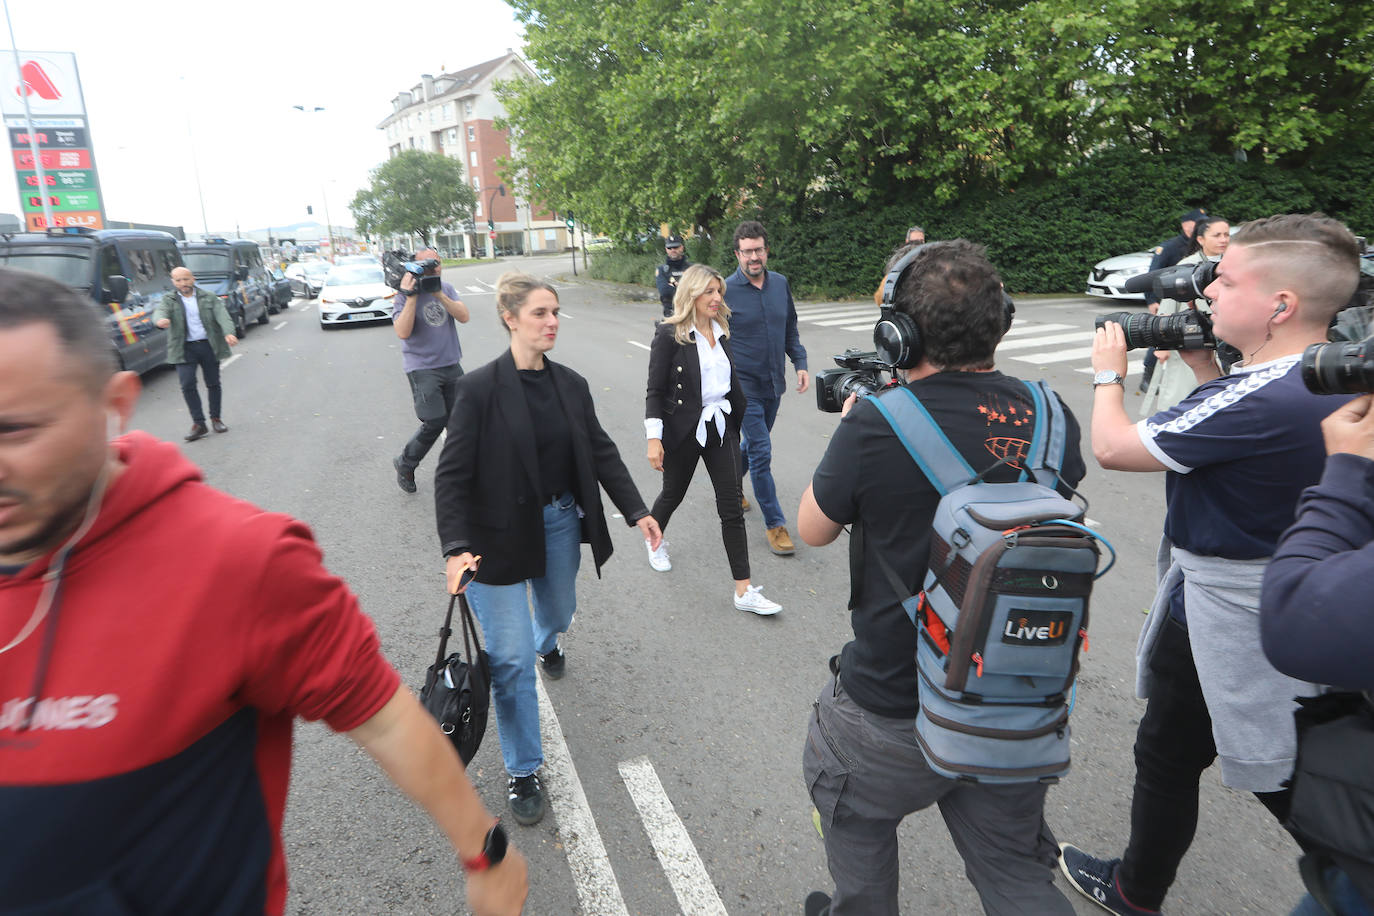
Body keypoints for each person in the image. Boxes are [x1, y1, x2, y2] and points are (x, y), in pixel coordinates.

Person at [0, 268, 527, 916]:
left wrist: (484, 852)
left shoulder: (239, 561)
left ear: (113, 407)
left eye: (14, 430)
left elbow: (388, 720)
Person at [1059, 213, 1362, 916]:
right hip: (1288, 592)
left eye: (1226, 280)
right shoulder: (1324, 373)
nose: (1209, 292)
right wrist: (1205, 367)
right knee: (1175, 749)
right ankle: (1138, 886)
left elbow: (1115, 448)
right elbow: (1228, 423)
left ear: (1280, 305)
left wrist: (1109, 375)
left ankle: (1354, 874)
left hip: (1229, 613)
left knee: (1285, 773)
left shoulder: (1260, 396)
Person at [798, 240, 1087, 916]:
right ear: (1002, 320)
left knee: (853, 819)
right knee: (1017, 877)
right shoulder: (1050, 419)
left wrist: (855, 430)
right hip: (1013, 699)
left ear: (899, 336)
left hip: (891, 708)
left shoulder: (876, 425)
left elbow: (812, 528)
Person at [435, 271, 662, 827]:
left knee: (559, 613)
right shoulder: (480, 389)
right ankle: (523, 769)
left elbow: (602, 450)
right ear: (510, 317)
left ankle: (547, 640)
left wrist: (638, 510)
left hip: (559, 523)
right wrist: (456, 547)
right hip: (495, 541)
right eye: (539, 313)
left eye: (555, 311)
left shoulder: (571, 384)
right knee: (509, 662)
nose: (552, 321)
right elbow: (452, 476)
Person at [1262, 395, 1374, 916]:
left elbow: (1296, 620)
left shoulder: (1266, 399)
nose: (1209, 304)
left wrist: (1347, 475)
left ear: (1282, 306)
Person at [643, 263, 781, 615]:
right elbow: (656, 390)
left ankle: (743, 590)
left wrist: (738, 418)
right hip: (683, 428)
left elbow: (730, 382)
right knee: (673, 493)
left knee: (731, 507)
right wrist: (653, 439)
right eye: (708, 291)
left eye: (718, 291)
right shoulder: (669, 334)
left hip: (721, 427)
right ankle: (655, 542)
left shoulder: (721, 329)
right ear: (691, 294)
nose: (716, 297)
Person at [724, 220, 808, 556]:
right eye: (747, 252)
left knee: (754, 446)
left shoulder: (780, 285)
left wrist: (799, 363)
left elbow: (790, 328)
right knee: (761, 452)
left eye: (758, 249)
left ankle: (731, 487)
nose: (753, 257)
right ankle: (775, 525)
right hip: (743, 387)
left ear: (766, 250)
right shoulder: (725, 291)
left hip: (774, 382)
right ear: (737, 254)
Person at [391, 248, 469, 494]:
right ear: (415, 266)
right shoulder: (403, 295)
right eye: (426, 263)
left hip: (451, 363)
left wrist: (438, 294)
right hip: (422, 367)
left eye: (436, 262)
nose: (433, 266)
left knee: (463, 420)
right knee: (435, 420)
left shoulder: (446, 289)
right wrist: (411, 297)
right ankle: (406, 463)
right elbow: (402, 332)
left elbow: (464, 316)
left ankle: (463, 473)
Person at [1138, 216, 1231, 415]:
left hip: (1223, 341)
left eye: (1226, 234)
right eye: (1217, 235)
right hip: (1191, 339)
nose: (1223, 239)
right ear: (1200, 239)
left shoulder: (1231, 264)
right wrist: (1161, 343)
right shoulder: (1187, 266)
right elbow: (1168, 305)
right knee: (1182, 395)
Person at [153, 266, 238, 442]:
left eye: (185, 279)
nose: (182, 283)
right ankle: (199, 423)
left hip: (208, 345)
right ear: (173, 282)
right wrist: (160, 320)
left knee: (213, 383)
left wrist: (228, 332)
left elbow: (222, 315)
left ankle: (216, 419)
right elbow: (160, 312)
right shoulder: (169, 300)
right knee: (187, 384)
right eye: (178, 280)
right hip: (184, 348)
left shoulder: (209, 297)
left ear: (193, 279)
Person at [1138, 207, 1208, 392]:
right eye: (1198, 222)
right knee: (1161, 336)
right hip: (1167, 299)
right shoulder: (1170, 247)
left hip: (1188, 299)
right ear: (1186, 225)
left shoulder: (1201, 246)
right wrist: (1151, 300)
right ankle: (1148, 375)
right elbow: (1152, 274)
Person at [873, 226, 927, 305]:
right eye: (914, 242)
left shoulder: (931, 260)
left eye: (921, 241)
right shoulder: (898, 262)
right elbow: (881, 296)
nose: (917, 245)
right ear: (907, 241)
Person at [654, 234, 691, 319]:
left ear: (682, 247)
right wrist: (685, 287)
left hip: (690, 311)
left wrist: (674, 285)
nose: (673, 250)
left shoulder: (692, 268)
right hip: (670, 313)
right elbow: (664, 291)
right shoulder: (661, 270)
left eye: (676, 247)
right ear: (666, 249)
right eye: (669, 248)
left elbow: (697, 289)